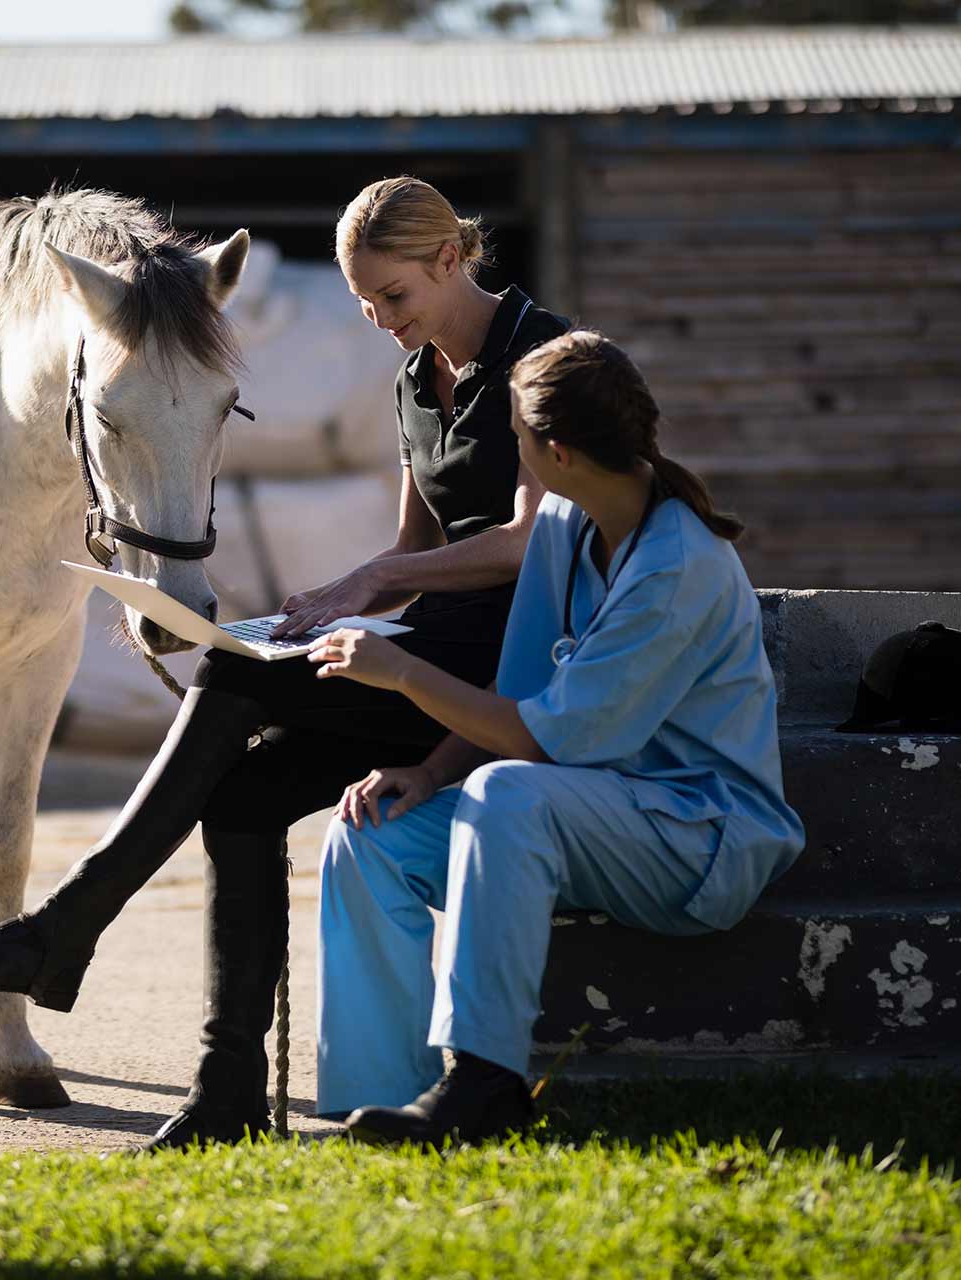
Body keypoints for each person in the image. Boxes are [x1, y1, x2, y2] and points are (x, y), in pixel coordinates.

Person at [0, 176, 569, 1149]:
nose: (380, 321)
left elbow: (530, 540)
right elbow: (409, 554)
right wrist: (316, 612)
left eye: (392, 296)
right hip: (427, 651)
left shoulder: (541, 356)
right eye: (361, 303)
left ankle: (68, 924)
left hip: (505, 675)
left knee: (225, 679)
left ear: (450, 259)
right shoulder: (409, 381)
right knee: (241, 792)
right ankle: (224, 1092)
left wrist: (373, 576)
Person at [306, 329, 805, 1145]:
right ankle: (385, 1097)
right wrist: (429, 776)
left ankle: (484, 1086)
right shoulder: (567, 521)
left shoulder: (677, 566)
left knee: (510, 791)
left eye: (517, 431)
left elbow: (545, 741)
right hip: (586, 815)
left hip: (699, 836)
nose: (512, 447)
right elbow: (520, 689)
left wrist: (399, 671)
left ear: (559, 451)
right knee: (369, 834)